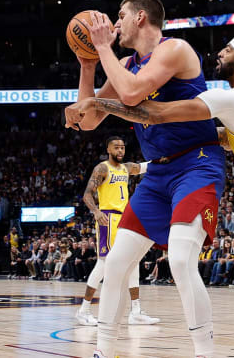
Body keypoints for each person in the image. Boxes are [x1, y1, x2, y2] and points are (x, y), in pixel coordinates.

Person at [70, 35, 234, 358]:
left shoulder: (233, 99)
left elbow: (155, 113)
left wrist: (98, 102)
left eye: (227, 50)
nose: (219, 53)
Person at [64, 0, 226, 358]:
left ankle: (205, 353)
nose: (114, 24)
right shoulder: (123, 62)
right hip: (157, 174)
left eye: (119, 16)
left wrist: (103, 47)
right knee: (117, 263)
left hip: (197, 164)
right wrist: (88, 64)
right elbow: (87, 121)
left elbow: (133, 93)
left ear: (140, 17)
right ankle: (103, 351)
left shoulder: (175, 50)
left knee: (182, 261)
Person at [75, 136, 158, 326]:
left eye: (122, 147)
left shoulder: (127, 168)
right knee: (104, 264)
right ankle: (84, 310)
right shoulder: (102, 168)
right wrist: (95, 211)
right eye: (116, 147)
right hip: (108, 218)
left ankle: (136, 311)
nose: (120, 150)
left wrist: (166, 158)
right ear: (108, 149)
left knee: (134, 261)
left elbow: (145, 166)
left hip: (125, 218)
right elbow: (87, 193)